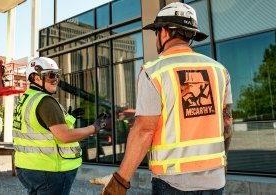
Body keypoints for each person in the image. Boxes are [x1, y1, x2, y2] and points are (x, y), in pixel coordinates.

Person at [90, 2, 233, 195]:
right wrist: (223, 160)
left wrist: (120, 181)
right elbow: (226, 121)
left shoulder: (154, 71)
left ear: (164, 32)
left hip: (173, 181)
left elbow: (144, 131)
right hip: (215, 179)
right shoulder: (219, 70)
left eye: (156, 32)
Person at [12, 57, 110, 195]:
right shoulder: (46, 102)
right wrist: (94, 127)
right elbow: (64, 136)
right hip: (50, 169)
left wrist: (70, 116)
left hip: (28, 168)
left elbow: (39, 127)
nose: (56, 79)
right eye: (51, 75)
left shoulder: (26, 99)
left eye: (57, 75)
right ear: (36, 77)